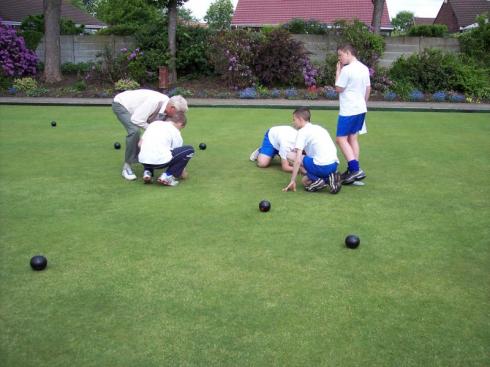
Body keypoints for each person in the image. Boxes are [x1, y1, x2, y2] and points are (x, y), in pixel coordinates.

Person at [112, 89, 188, 180]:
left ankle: (148, 167)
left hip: (138, 111)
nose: (178, 116)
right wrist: (154, 129)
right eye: (178, 113)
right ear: (172, 108)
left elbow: (169, 130)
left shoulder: (166, 108)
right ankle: (127, 167)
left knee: (157, 131)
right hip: (122, 104)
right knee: (134, 131)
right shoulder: (154, 102)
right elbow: (136, 120)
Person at [282, 107, 341, 194]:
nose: (293, 122)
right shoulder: (319, 128)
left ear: (300, 119)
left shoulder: (302, 132)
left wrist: (292, 180)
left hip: (321, 167)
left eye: (294, 119)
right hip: (334, 166)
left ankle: (320, 180)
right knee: (305, 181)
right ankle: (330, 178)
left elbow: (297, 160)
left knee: (289, 155)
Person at [335, 44, 371, 184]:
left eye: (340, 55)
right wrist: (363, 104)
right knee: (352, 139)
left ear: (348, 53)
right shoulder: (364, 68)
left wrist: (338, 71)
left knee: (341, 139)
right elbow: (368, 88)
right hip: (360, 108)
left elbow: (338, 88)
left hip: (348, 110)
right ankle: (352, 172)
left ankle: (355, 169)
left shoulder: (347, 70)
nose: (339, 58)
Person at [138, 112, 194, 186]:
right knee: (189, 150)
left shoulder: (154, 124)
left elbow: (140, 144)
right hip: (160, 163)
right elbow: (178, 156)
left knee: (150, 145)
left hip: (143, 160)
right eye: (182, 127)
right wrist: (182, 172)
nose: (180, 130)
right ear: (180, 124)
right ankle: (167, 175)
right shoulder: (176, 132)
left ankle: (148, 172)